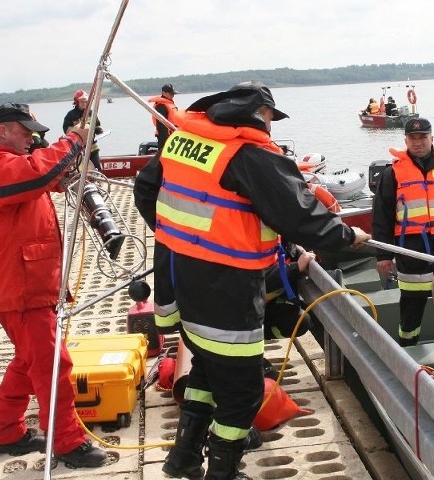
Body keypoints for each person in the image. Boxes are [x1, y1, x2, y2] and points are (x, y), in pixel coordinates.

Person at [134, 81, 370, 480]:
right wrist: (346, 236)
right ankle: (222, 473)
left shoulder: (183, 140)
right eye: (269, 118)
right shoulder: (249, 154)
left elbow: (146, 189)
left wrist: (181, 239)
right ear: (258, 114)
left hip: (186, 278)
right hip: (229, 288)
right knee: (242, 394)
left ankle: (184, 457)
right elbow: (299, 215)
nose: (271, 127)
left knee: (206, 370)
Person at [0, 103, 108, 467]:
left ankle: (4, 431)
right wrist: (73, 139)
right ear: (1, 130)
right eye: (24, 130)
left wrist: (75, 164)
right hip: (22, 287)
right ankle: (66, 441)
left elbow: (46, 175)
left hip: (29, 284)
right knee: (52, 364)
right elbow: (38, 172)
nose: (32, 136)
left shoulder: (4, 167)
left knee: (29, 363)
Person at [372, 118, 434, 346]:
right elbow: (382, 216)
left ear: (432, 138)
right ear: (406, 140)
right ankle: (407, 350)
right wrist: (383, 256)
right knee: (411, 308)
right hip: (411, 250)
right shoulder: (393, 174)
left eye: (423, 137)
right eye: (413, 138)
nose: (418, 142)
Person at [62, 89, 104, 170]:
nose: (84, 103)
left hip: (93, 147)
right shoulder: (71, 115)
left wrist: (99, 130)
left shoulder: (91, 113)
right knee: (81, 170)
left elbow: (97, 125)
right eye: (82, 101)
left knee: (97, 167)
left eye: (85, 101)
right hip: (79, 149)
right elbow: (67, 130)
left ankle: (98, 181)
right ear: (76, 102)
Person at [148, 83, 179, 150]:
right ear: (164, 93)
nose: (173, 96)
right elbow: (161, 125)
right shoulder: (161, 106)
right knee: (162, 154)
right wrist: (165, 140)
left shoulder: (170, 103)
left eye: (173, 94)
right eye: (171, 94)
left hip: (173, 134)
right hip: (165, 136)